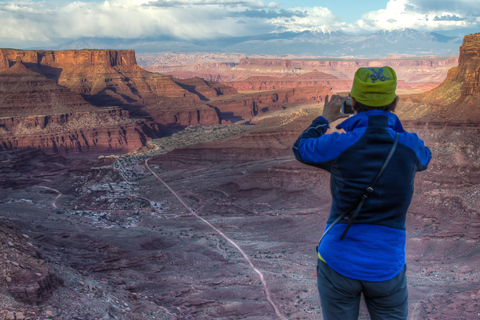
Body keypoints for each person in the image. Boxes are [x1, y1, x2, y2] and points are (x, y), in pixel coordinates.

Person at [292, 66, 432, 320]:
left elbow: (301, 148)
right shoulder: (409, 146)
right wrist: (391, 125)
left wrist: (324, 119)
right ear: (395, 102)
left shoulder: (340, 143)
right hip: (387, 265)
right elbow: (425, 157)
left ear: (352, 102)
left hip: (338, 262)